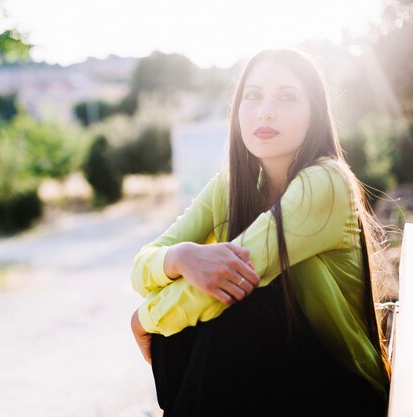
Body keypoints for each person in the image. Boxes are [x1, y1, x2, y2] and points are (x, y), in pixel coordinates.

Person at [129, 48, 391, 417]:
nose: (265, 110)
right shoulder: (231, 185)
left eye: (286, 97)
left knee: (242, 308)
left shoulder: (327, 182)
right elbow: (142, 268)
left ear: (315, 113)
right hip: (277, 381)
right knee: (184, 328)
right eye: (252, 96)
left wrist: (143, 319)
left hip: (342, 388)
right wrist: (179, 257)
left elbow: (234, 280)